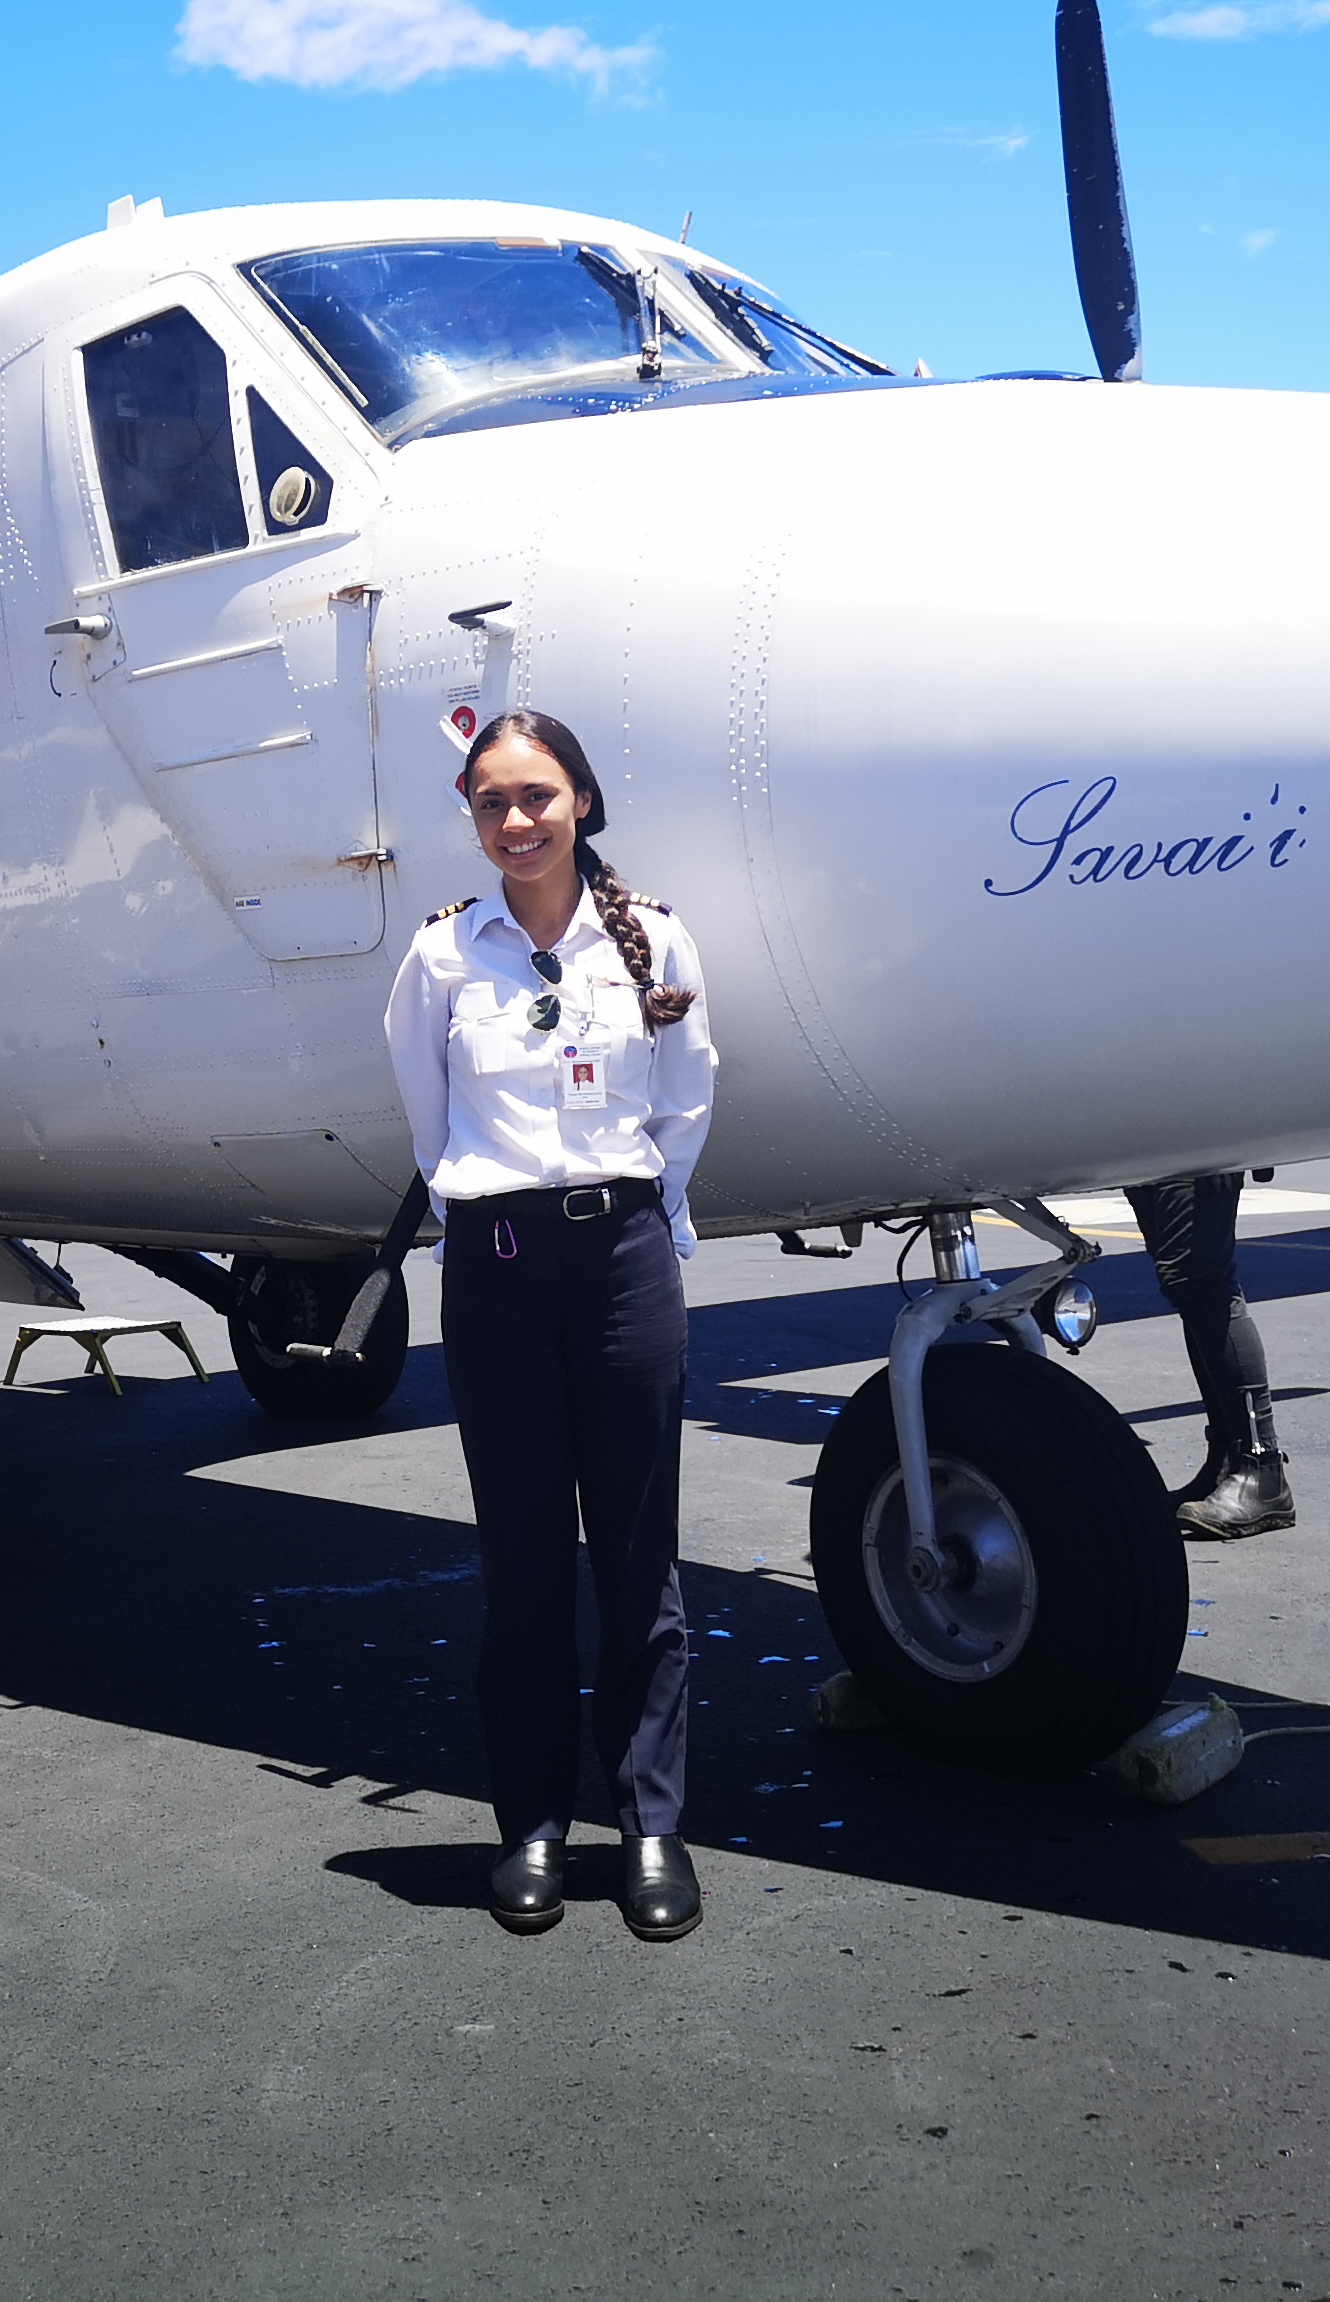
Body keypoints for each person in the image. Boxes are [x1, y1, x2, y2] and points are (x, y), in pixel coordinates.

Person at [386, 710, 718, 1942]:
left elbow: (686, 1100)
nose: (514, 822)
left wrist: (639, 1221)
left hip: (625, 1260)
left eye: (535, 795)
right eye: (489, 804)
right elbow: (429, 1117)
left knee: (640, 1560)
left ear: (581, 800)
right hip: (501, 1264)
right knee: (523, 1559)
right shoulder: (441, 959)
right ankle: (531, 1822)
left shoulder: (656, 939)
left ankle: (650, 1826)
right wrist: (499, 1212)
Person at [1126, 1170, 1295, 1538]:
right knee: (1188, 1287)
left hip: (1191, 1143)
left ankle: (1261, 1471)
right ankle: (1227, 1461)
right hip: (1148, 1147)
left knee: (1202, 1281)